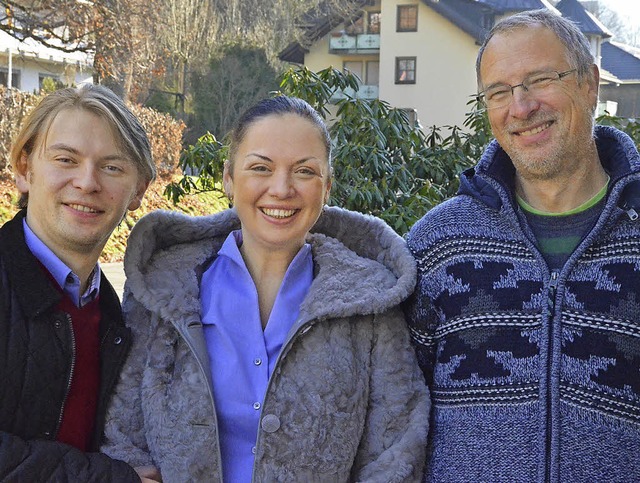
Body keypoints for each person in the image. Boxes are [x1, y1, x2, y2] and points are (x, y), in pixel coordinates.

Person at [101, 95, 429, 482]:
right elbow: (121, 433)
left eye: (304, 172)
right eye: (260, 167)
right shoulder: (162, 287)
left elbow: (395, 453)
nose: (281, 188)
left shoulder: (370, 302)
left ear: (327, 188)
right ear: (228, 177)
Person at [405, 9, 640, 483]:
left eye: (539, 79)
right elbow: (391, 409)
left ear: (590, 84)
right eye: (499, 92)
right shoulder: (437, 246)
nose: (521, 106)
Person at [0, 84, 156, 481]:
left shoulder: (116, 316)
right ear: (24, 169)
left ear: (138, 190)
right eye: (66, 159)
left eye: (112, 167)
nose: (87, 182)